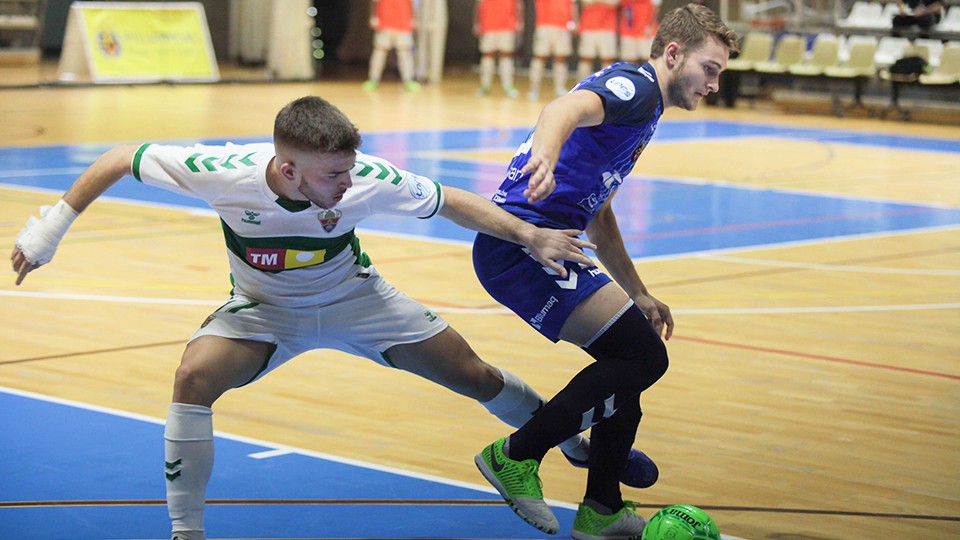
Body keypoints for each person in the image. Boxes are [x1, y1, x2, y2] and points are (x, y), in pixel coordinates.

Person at [10, 96, 659, 540]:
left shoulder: (365, 177)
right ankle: (187, 531)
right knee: (191, 379)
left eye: (351, 169)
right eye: (333, 175)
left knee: (475, 374)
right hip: (265, 313)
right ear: (287, 169)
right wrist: (48, 232)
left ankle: (565, 442)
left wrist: (529, 236)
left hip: (358, 301)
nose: (350, 184)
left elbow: (454, 203)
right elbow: (117, 157)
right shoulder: (224, 172)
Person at [472, 4, 738, 538]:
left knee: (629, 362)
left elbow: (600, 214)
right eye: (709, 68)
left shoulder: (647, 105)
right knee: (642, 355)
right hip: (524, 243)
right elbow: (560, 109)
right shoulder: (636, 88)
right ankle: (515, 455)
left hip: (551, 240)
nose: (714, 83)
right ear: (672, 53)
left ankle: (602, 507)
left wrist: (637, 290)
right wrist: (543, 157)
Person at [363, 0, 421, 92]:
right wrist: (374, 16)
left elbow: (413, 3)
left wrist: (414, 18)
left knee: (405, 53)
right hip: (385, 22)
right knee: (380, 51)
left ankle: (408, 80)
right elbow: (374, 2)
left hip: (403, 22)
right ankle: (373, 79)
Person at [528, 0, 578, 100]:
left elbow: (572, 5)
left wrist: (575, 22)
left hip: (563, 26)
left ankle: (559, 88)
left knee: (561, 59)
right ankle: (534, 89)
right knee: (539, 58)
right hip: (544, 25)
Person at [474, 0, 524, 98]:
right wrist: (477, 23)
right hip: (488, 25)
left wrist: (520, 21)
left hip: (507, 25)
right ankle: (485, 86)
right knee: (487, 56)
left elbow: (519, 4)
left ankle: (508, 86)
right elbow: (478, 5)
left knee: (506, 56)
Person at [576, 0, 621, 81]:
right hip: (588, 27)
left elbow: (615, 3)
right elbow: (585, 2)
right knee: (586, 59)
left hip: (608, 28)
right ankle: (581, 87)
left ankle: (606, 89)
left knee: (608, 60)